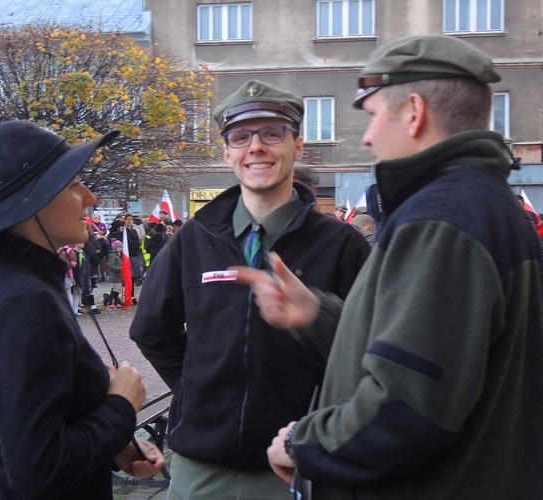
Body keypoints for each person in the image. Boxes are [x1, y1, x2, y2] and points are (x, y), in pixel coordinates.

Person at [235, 36, 543, 498]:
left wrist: (304, 443)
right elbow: (431, 350)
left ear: (414, 112)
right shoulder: (474, 204)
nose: (366, 136)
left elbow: (405, 407)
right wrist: (317, 315)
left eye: (372, 114)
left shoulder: (443, 218)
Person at [129, 79, 371, 499]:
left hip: (298, 466)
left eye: (272, 133)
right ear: (227, 154)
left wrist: (315, 319)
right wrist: (196, 388)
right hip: (202, 471)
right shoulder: (193, 237)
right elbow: (151, 328)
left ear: (297, 146)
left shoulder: (342, 244)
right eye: (240, 137)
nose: (255, 147)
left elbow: (369, 347)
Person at [0, 121, 164, 498]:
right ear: (35, 202)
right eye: (75, 185)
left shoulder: (4, 281)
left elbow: (28, 433)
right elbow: (39, 469)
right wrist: (121, 404)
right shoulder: (23, 299)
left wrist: (111, 446)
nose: (89, 197)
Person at [104, 239, 124, 309]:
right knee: (115, 289)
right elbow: (111, 265)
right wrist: (120, 268)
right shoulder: (112, 255)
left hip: (118, 275)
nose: (121, 248)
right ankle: (110, 303)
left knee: (117, 289)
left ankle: (116, 302)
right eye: (120, 247)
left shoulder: (118, 254)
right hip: (115, 275)